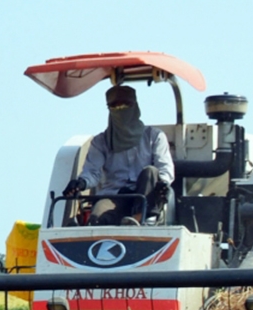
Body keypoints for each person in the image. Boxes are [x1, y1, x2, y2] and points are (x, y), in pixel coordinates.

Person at [61, 84, 175, 225]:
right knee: (98, 217)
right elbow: (92, 173)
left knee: (150, 172)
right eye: (115, 106)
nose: (121, 110)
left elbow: (165, 168)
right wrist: (81, 183)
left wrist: (163, 183)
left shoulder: (154, 136)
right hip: (115, 195)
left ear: (135, 106)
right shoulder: (101, 141)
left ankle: (140, 220)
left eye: (125, 106)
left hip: (145, 195)